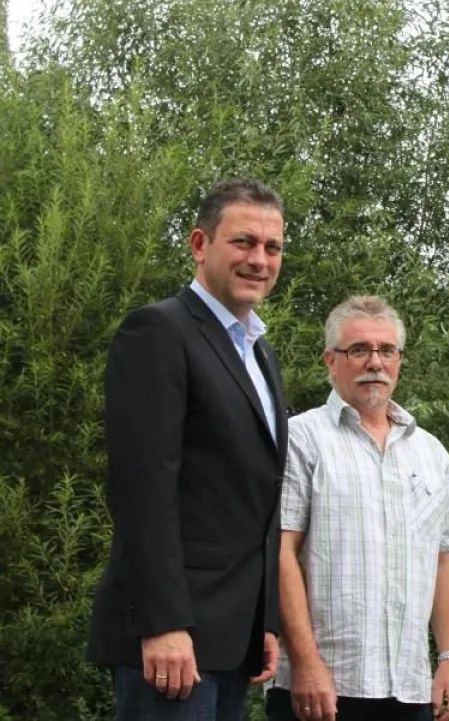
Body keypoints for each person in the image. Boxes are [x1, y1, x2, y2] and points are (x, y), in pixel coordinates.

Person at [88, 177, 289, 720]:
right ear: (200, 245)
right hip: (174, 639)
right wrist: (162, 623)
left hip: (232, 636)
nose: (259, 259)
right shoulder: (158, 331)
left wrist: (263, 619)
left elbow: (253, 499)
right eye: (243, 242)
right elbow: (142, 489)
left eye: (272, 247)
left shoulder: (260, 353)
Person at [267, 295, 449, 721]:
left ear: (399, 360)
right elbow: (281, 553)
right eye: (358, 350)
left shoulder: (431, 452)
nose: (374, 362)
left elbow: (446, 559)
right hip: (322, 687)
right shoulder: (301, 440)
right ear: (331, 360)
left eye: (386, 350)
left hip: (409, 687)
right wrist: (305, 662)